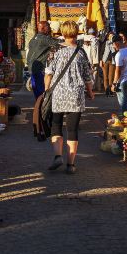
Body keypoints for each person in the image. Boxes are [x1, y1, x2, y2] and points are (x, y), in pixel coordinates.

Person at [44, 20, 94, 175]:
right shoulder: (81, 52)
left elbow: (48, 73)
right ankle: (71, 164)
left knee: (56, 126)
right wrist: (90, 92)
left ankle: (58, 156)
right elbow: (87, 77)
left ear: (62, 33)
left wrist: (46, 90)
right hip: (76, 95)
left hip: (58, 93)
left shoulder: (54, 50)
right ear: (77, 32)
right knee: (72, 129)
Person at [26, 22, 60, 99]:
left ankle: (39, 107)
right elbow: (60, 43)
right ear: (43, 28)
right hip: (39, 68)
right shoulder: (44, 39)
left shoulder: (34, 38)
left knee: (36, 90)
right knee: (41, 91)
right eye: (48, 27)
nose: (50, 28)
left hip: (32, 67)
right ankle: (42, 107)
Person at [101, 31, 117, 96]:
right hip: (105, 61)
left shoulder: (115, 43)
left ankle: (111, 91)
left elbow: (117, 52)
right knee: (105, 77)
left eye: (112, 36)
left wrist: (114, 46)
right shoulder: (105, 43)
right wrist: (100, 61)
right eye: (110, 36)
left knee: (111, 77)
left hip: (113, 61)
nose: (111, 37)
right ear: (108, 37)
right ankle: (106, 90)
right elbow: (101, 52)